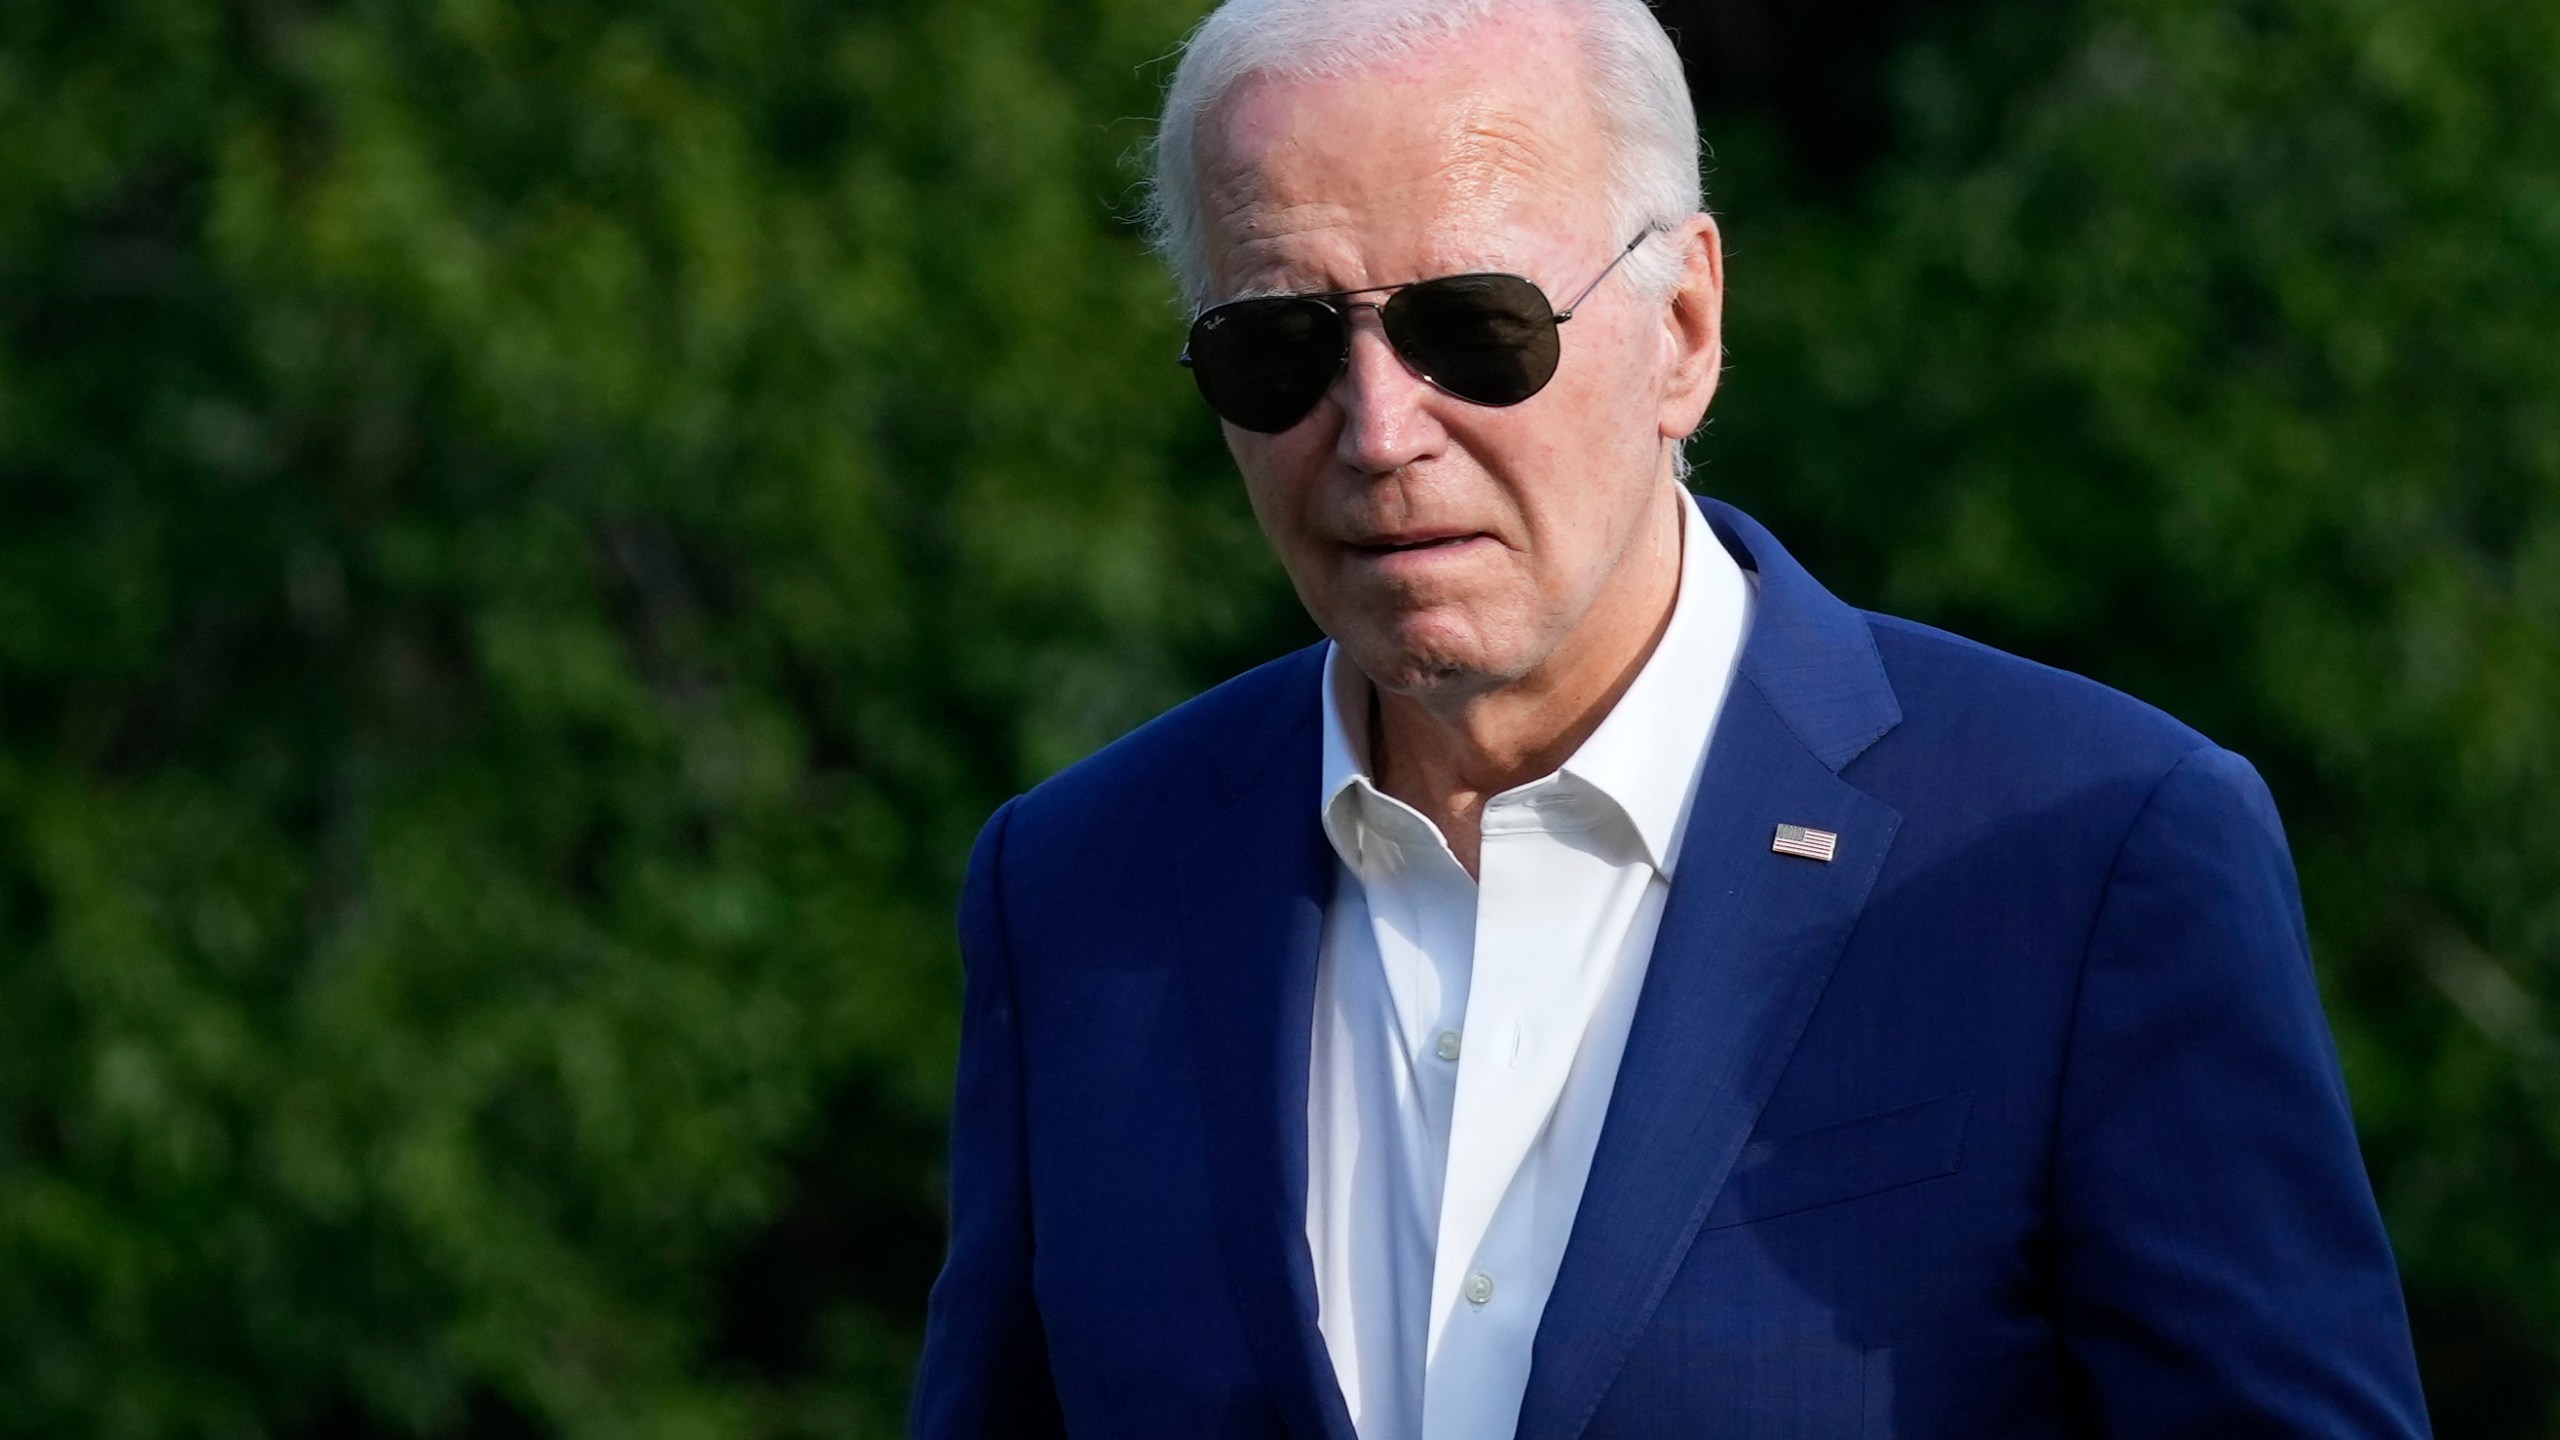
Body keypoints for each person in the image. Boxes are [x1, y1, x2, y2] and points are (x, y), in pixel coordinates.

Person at [909, 0, 2433, 1435]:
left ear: (1685, 326)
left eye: (1474, 325)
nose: (1378, 431)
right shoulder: (1078, 891)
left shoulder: (2092, 853)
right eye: (1278, 347)